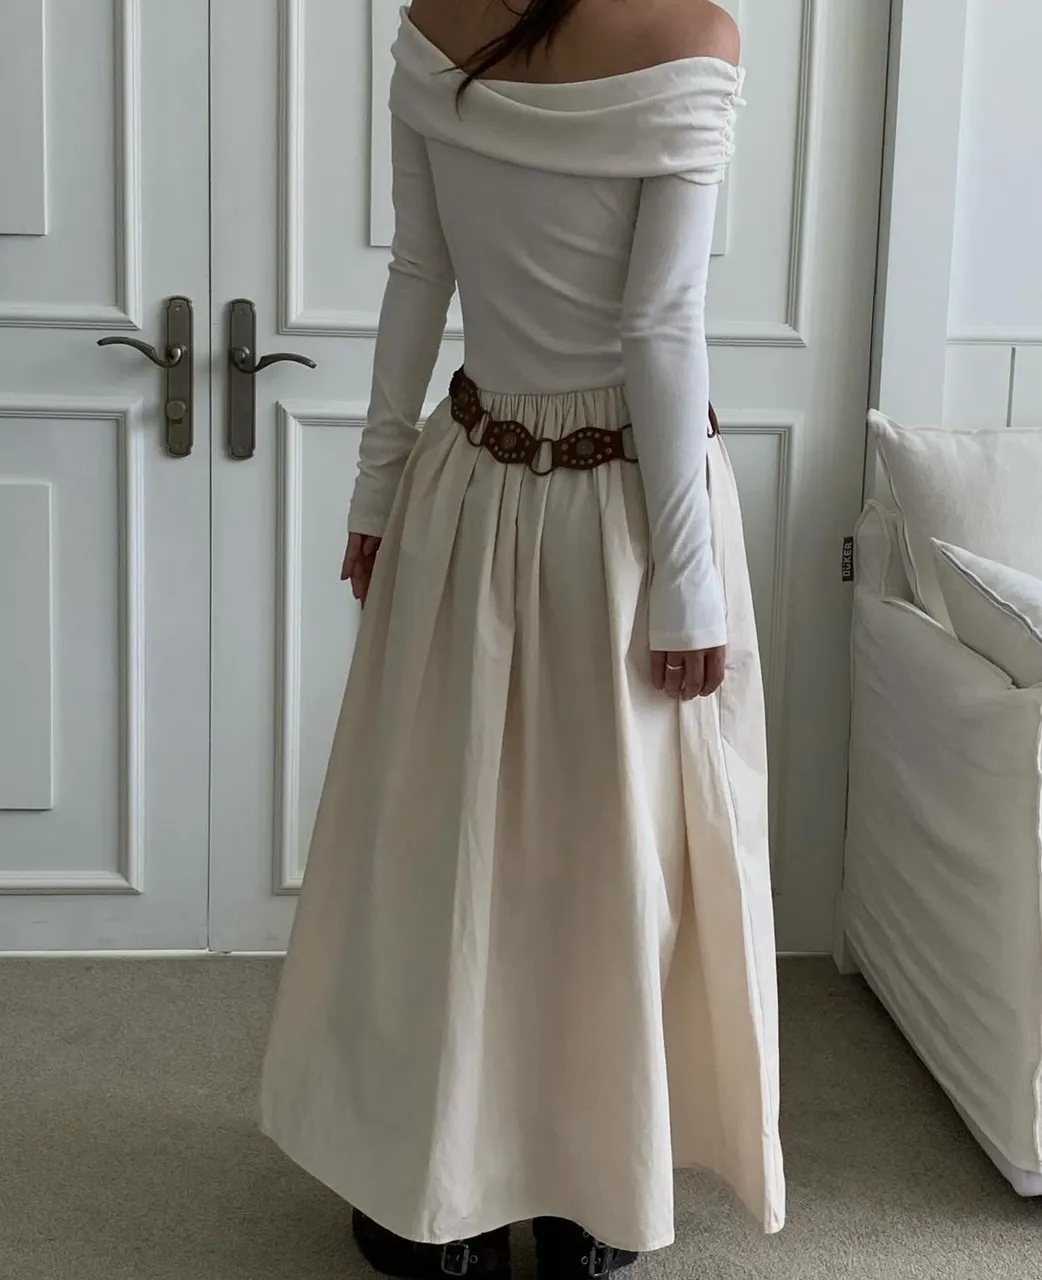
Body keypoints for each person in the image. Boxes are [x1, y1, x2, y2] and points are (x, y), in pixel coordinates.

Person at [259, 1, 784, 1275]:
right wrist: (688, 582)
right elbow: (660, 323)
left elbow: (417, 275)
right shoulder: (692, 37)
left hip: (467, 488)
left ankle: (433, 1193)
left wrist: (377, 492)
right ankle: (587, 1196)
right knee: (612, 853)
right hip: (624, 518)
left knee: (441, 840)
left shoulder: (435, 16)